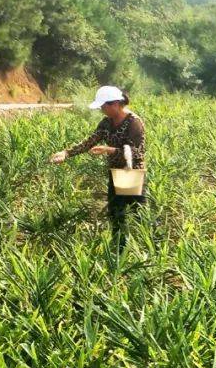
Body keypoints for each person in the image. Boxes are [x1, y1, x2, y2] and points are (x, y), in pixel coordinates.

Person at [50, 85, 147, 252]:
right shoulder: (106, 123)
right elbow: (90, 141)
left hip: (131, 172)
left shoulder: (134, 122)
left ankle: (147, 250)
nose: (102, 110)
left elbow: (137, 152)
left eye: (104, 106)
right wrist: (66, 153)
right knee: (116, 214)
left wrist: (109, 150)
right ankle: (119, 250)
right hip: (115, 172)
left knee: (138, 214)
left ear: (116, 104)